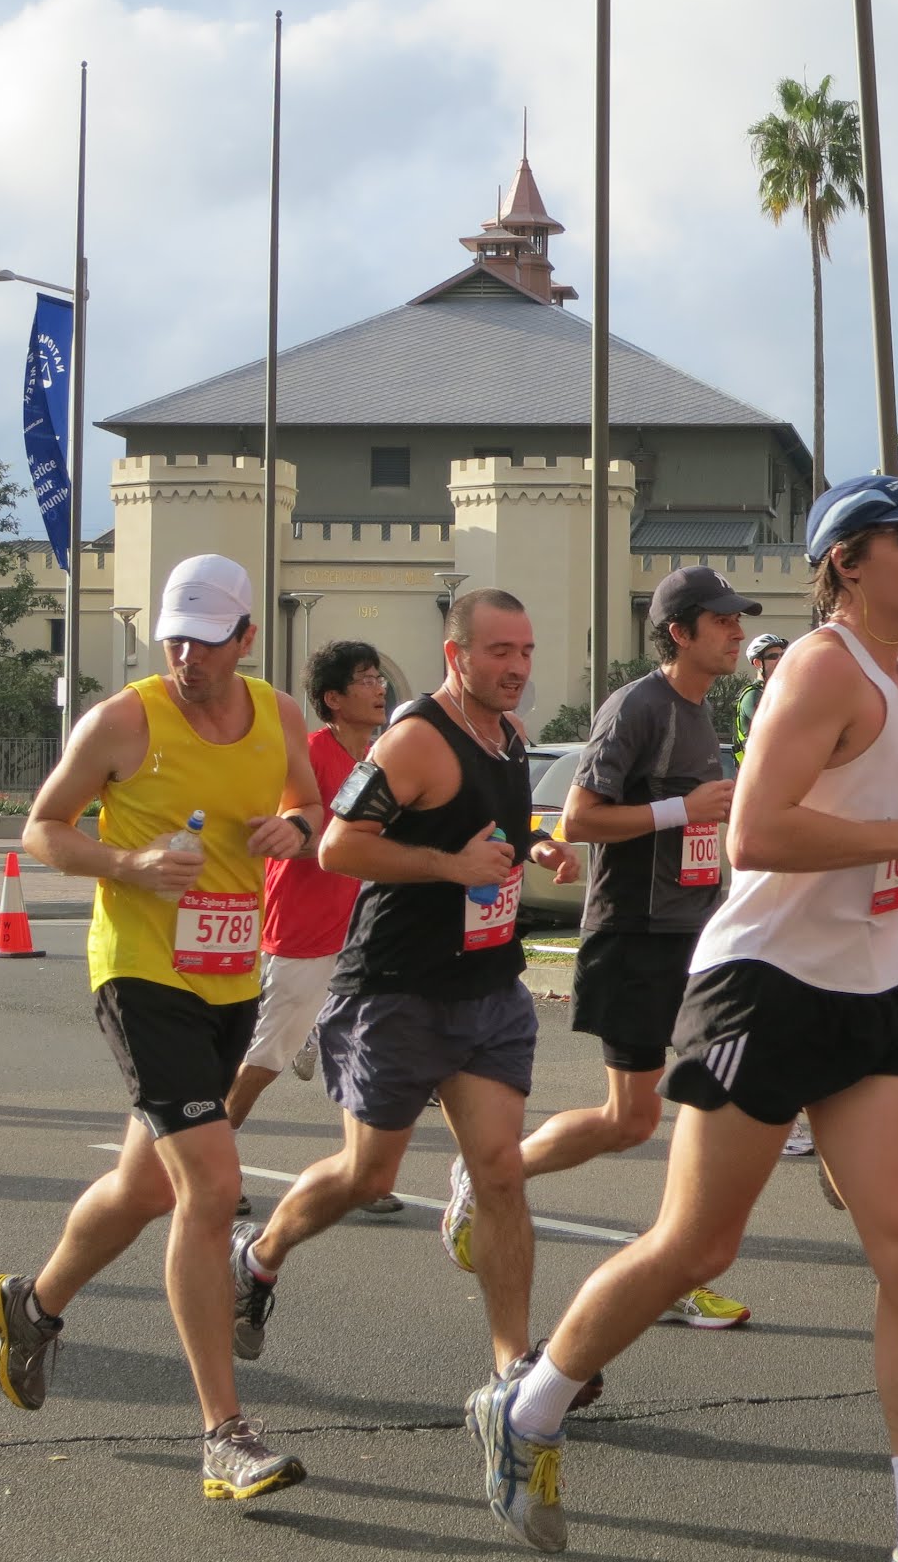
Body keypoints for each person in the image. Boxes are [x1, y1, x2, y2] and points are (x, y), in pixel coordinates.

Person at [472, 474, 898, 1562]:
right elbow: (758, 833)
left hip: (865, 989)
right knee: (696, 1241)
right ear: (847, 562)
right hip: (762, 982)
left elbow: (873, 836)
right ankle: (525, 1409)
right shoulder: (822, 665)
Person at [0, 554, 321, 1500]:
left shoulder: (279, 715)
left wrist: (295, 829)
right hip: (139, 975)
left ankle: (33, 1303)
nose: (185, 654)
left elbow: (308, 800)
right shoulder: (125, 718)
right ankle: (224, 1434)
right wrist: (127, 862)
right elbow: (42, 829)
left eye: (207, 639)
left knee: (144, 1186)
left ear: (246, 639)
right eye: (174, 634)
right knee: (210, 1190)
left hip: (228, 979)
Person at [223, 590, 579, 1404]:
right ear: (457, 656)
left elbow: (493, 828)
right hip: (395, 989)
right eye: (498, 652)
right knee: (366, 1173)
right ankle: (259, 1255)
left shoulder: (512, 737)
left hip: (488, 985)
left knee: (498, 1174)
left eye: (525, 650)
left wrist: (540, 845)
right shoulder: (416, 740)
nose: (517, 667)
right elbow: (340, 844)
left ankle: (511, 1372)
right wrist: (452, 869)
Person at [441, 566, 757, 1330]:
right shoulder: (637, 707)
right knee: (630, 1120)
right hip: (633, 936)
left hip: (696, 934)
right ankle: (485, 1174)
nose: (737, 632)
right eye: (720, 621)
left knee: (707, 1104)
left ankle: (672, 1266)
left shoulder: (701, 708)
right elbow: (579, 818)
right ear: (679, 631)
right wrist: (685, 807)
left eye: (737, 620)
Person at [222, 639, 402, 1215]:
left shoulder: (381, 759)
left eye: (379, 677)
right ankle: (211, 1170)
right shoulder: (307, 755)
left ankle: (362, 1176)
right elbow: (287, 839)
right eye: (367, 679)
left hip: (363, 928)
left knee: (367, 1049)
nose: (380, 688)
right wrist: (335, 846)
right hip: (304, 926)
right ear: (333, 698)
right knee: (266, 1054)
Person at [734, 631, 788, 765]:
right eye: (774, 656)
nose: (780, 660)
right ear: (758, 663)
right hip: (756, 776)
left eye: (782, 655)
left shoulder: (779, 692)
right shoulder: (753, 695)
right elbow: (778, 731)